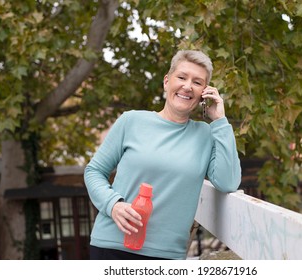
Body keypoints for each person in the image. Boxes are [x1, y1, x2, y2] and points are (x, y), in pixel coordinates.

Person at [84, 50, 242, 260]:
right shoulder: (131, 121)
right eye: (182, 77)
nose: (187, 86)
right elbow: (93, 171)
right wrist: (113, 205)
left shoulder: (206, 134)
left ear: (204, 92)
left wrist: (220, 121)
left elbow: (228, 182)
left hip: (167, 255)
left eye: (197, 82)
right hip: (112, 246)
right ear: (167, 81)